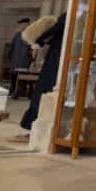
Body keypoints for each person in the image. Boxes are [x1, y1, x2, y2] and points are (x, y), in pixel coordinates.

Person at [14, 13, 65, 141]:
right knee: (40, 95)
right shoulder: (57, 37)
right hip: (53, 65)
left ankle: (36, 129)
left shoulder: (63, 22)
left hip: (55, 67)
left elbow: (53, 30)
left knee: (41, 94)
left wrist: (38, 42)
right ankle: (33, 128)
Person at [5, 17, 33, 95]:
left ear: (27, 24)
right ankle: (13, 91)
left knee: (22, 78)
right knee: (13, 77)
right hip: (15, 61)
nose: (21, 26)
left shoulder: (31, 35)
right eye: (21, 24)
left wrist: (30, 60)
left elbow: (33, 49)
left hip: (24, 62)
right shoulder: (17, 35)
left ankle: (21, 92)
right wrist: (10, 58)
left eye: (23, 24)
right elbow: (11, 47)